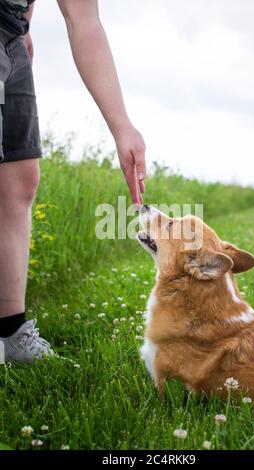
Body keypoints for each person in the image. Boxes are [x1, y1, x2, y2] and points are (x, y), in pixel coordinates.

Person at [0, 0, 146, 363]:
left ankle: (10, 333)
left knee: (19, 177)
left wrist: (122, 126)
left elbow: (84, 19)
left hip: (11, 32)